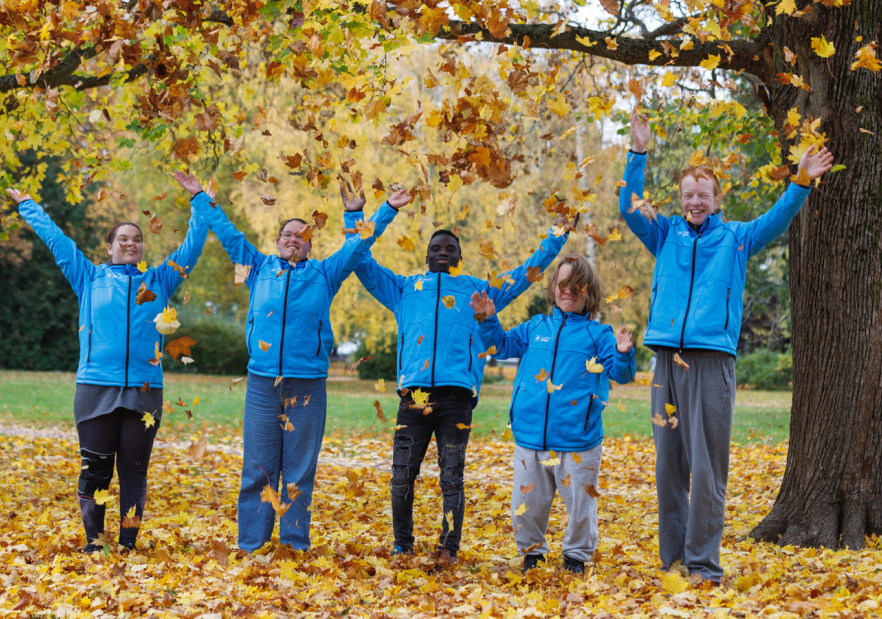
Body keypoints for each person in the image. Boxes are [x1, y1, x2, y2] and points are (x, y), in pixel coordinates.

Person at [620, 108, 834, 584]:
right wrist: (638, 152)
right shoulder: (665, 234)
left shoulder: (736, 239)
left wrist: (800, 182)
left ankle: (703, 564)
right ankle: (673, 558)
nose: (694, 201)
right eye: (687, 195)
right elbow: (628, 206)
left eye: (703, 195)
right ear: (681, 200)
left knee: (707, 467)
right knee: (669, 465)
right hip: (664, 362)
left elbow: (776, 221)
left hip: (711, 362)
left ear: (717, 200)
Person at [342, 182, 572, 564]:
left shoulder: (477, 290)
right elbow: (358, 260)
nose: (443, 252)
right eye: (436, 248)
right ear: (427, 255)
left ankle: (448, 547)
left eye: (450, 249)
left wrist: (556, 235)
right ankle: (403, 544)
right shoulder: (403, 288)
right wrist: (356, 217)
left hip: (456, 398)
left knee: (451, 478)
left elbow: (526, 273)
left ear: (459, 257)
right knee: (401, 477)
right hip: (412, 398)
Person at [187, 174, 408, 552]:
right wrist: (200, 201)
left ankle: (293, 547)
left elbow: (359, 246)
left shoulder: (325, 273)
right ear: (276, 242)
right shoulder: (257, 267)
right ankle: (251, 545)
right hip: (262, 384)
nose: (293, 238)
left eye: (301, 235)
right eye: (287, 234)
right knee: (258, 468)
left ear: (309, 243)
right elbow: (227, 233)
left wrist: (374, 211)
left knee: (299, 472)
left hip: (307, 386)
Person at [7, 173, 208, 553]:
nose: (130, 243)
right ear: (111, 246)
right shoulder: (89, 277)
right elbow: (58, 243)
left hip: (145, 391)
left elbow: (191, 248)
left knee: (133, 474)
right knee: (95, 470)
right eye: (123, 239)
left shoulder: (160, 280)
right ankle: (95, 543)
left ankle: (129, 544)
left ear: (141, 247)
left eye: (137, 239)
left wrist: (199, 201)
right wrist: (27, 206)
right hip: (95, 387)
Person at [470, 256, 635, 574]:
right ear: (553, 289)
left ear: (589, 292)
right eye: (562, 284)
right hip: (530, 437)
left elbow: (622, 374)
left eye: (576, 286)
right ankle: (532, 554)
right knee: (526, 506)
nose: (568, 291)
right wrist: (488, 320)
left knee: (580, 507)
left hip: (578, 440)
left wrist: (625, 353)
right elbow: (500, 347)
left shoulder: (598, 335)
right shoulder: (535, 327)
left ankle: (576, 558)